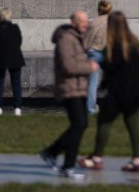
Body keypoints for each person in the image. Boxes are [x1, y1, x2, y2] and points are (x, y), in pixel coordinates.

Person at [78, 11, 139, 173]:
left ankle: (96, 158)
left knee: (104, 122)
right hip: (136, 91)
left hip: (119, 93)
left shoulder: (113, 47)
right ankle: (137, 160)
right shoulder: (135, 43)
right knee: (134, 125)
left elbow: (109, 67)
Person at [39, 10, 99, 180]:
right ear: (74, 22)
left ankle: (52, 153)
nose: (86, 25)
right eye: (83, 22)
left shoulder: (77, 38)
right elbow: (68, 66)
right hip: (69, 88)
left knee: (81, 124)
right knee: (79, 124)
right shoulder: (66, 39)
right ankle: (66, 165)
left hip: (79, 87)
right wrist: (90, 67)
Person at [0, 8, 25, 116]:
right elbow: (19, 41)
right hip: (15, 57)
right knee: (16, 83)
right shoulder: (15, 28)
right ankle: (17, 107)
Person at [83, 0, 112, 115]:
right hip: (108, 54)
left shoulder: (93, 22)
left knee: (92, 82)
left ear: (99, 9)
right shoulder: (113, 22)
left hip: (94, 53)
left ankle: (90, 109)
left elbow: (86, 42)